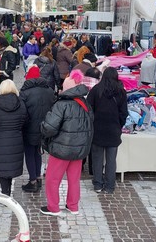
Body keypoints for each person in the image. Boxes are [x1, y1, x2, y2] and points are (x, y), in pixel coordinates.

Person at [40, 70, 93, 216]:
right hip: (79, 149)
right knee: (74, 179)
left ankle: (53, 207)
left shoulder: (61, 104)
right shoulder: (84, 103)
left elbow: (49, 127)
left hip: (61, 148)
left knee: (53, 178)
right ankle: (73, 206)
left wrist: (42, 127)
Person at [86, 67, 128, 194]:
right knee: (111, 160)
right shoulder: (121, 91)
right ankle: (110, 186)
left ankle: (98, 184)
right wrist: (119, 125)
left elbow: (88, 108)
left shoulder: (96, 90)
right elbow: (124, 113)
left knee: (97, 159)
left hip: (97, 129)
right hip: (113, 129)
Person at [20, 66, 56, 193]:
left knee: (29, 153)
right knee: (38, 152)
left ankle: (33, 181)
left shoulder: (25, 92)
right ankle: (39, 177)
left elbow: (22, 112)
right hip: (44, 128)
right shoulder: (49, 90)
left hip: (29, 128)